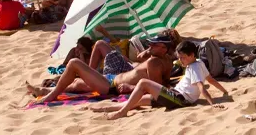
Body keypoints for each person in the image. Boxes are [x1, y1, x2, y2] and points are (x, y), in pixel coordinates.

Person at [28, 33, 177, 107]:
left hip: (111, 86)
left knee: (74, 64)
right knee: (79, 83)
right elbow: (165, 81)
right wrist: (146, 54)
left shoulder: (154, 63)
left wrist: (131, 88)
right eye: (149, 44)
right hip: (115, 77)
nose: (149, 46)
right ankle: (44, 91)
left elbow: (157, 89)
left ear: (164, 48)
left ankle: (50, 93)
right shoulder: (166, 60)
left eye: (153, 45)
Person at [94, 40, 229, 119]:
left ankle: (122, 112)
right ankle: (109, 108)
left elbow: (201, 86)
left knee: (143, 83)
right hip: (175, 95)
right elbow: (210, 79)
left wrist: (212, 103)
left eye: (182, 57)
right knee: (139, 100)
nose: (180, 60)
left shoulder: (194, 67)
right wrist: (224, 91)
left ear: (191, 55)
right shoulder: (199, 62)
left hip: (179, 99)